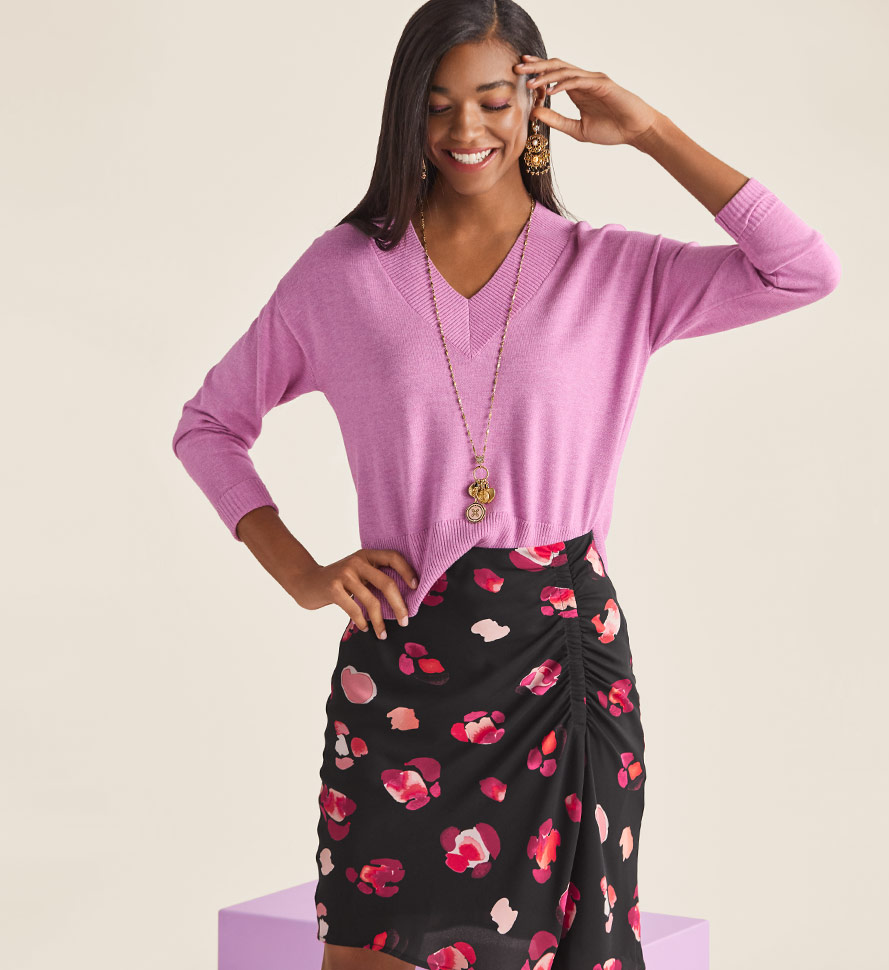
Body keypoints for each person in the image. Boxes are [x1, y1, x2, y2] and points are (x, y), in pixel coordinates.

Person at [171, 1, 841, 968]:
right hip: (403, 658)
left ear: (534, 103)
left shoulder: (612, 269)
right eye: (438, 103)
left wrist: (650, 132)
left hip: (559, 662)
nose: (465, 129)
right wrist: (304, 573)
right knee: (363, 952)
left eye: (493, 100)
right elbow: (209, 426)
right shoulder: (342, 272)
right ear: (407, 109)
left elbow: (802, 271)